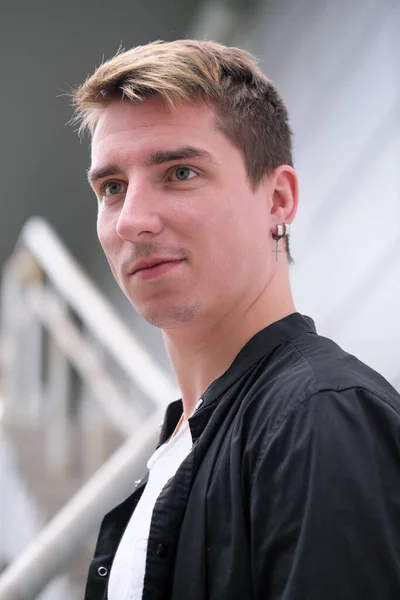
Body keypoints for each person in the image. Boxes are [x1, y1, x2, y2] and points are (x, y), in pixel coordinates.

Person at [72, 40, 400, 600]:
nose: (132, 221)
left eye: (179, 172)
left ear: (277, 199)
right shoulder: (180, 454)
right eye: (112, 188)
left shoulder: (318, 415)